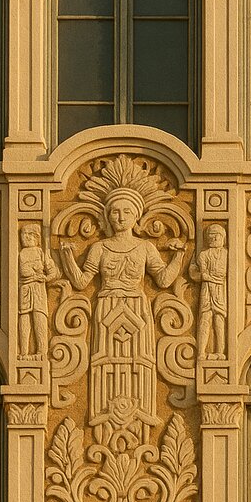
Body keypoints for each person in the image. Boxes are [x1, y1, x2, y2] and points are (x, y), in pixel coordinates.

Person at [59, 187, 186, 445]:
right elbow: (82, 282)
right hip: (107, 306)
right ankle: (103, 415)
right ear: (107, 217)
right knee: (104, 362)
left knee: (140, 361)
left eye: (127, 211)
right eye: (115, 211)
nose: (120, 216)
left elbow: (162, 280)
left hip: (137, 308)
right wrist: (67, 257)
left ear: (136, 216)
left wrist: (179, 255)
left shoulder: (145, 247)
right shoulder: (99, 247)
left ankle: (140, 415)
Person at [18, 224, 60, 357]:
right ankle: (24, 350)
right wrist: (34, 272)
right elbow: (23, 271)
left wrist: (46, 277)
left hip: (38, 289)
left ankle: (41, 351)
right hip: (25, 289)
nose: (26, 238)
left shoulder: (40, 253)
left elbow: (54, 272)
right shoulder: (21, 254)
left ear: (36, 238)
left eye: (30, 235)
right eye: (23, 235)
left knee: (39, 317)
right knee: (24, 317)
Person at [188, 223, 228, 359]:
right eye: (210, 235)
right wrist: (205, 276)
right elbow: (199, 273)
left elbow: (221, 272)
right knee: (205, 318)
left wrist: (208, 276)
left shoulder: (226, 254)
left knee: (219, 320)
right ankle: (201, 352)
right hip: (206, 291)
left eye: (216, 235)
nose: (213, 238)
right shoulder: (203, 255)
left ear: (223, 237)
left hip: (220, 291)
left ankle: (220, 351)